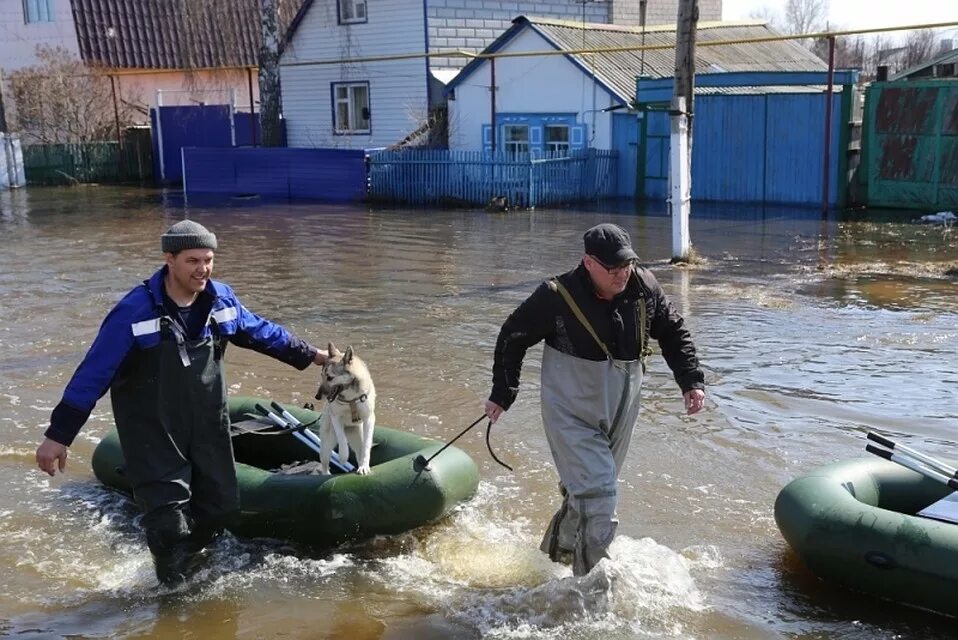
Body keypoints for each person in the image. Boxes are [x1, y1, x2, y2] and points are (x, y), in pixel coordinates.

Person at [35, 220, 328, 585]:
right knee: (169, 523)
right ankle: (171, 595)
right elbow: (92, 375)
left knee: (220, 509)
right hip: (153, 431)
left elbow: (262, 333)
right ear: (169, 259)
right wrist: (58, 435)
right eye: (193, 260)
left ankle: (196, 572)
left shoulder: (220, 299)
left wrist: (313, 356)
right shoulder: (134, 311)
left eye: (208, 259)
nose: (202, 268)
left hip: (207, 425)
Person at [484, 223, 706, 576]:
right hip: (570, 412)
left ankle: (551, 563)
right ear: (589, 263)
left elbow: (673, 332)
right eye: (613, 268)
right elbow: (513, 336)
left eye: (627, 264)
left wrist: (691, 381)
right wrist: (504, 391)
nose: (622, 274)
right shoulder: (556, 296)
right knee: (600, 495)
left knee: (585, 496)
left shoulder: (643, 287)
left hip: (621, 408)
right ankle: (591, 589)